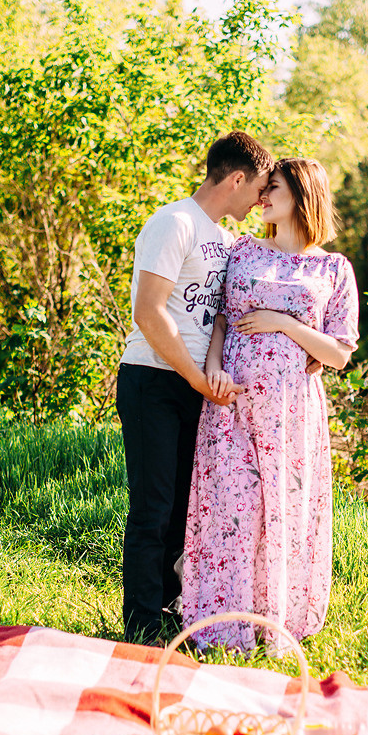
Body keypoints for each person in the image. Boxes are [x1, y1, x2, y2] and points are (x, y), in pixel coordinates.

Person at [182, 157, 359, 651]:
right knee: (233, 507)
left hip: (292, 415)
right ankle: (219, 627)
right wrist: (213, 367)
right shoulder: (242, 252)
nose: (262, 197)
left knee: (282, 510)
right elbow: (219, 320)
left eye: (273, 188)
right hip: (233, 403)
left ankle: (273, 622)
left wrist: (286, 325)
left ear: (302, 195)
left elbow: (339, 353)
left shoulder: (332, 269)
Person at [116, 131, 274, 644]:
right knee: (153, 508)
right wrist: (194, 376)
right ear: (236, 179)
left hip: (196, 386)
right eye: (258, 190)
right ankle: (141, 625)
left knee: (186, 507)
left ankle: (167, 611)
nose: (261, 201)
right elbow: (148, 312)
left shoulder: (229, 241)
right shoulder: (173, 222)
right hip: (154, 380)